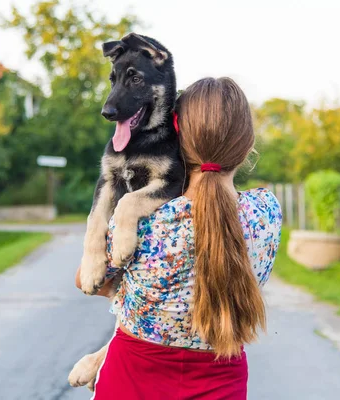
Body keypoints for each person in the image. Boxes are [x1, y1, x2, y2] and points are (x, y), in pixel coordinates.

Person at [75, 77, 282, 399]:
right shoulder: (266, 212)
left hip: (131, 380)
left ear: (173, 139)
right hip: (222, 383)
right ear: (246, 145)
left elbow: (88, 281)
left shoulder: (145, 218)